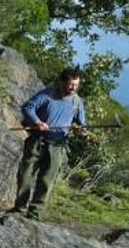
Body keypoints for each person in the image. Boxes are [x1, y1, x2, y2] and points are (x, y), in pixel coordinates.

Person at [10, 68, 87, 219]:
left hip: (57, 146)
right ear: (62, 82)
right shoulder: (47, 94)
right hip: (37, 140)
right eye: (71, 84)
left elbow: (81, 124)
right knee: (25, 175)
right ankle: (19, 209)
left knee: (46, 181)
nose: (73, 88)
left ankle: (34, 214)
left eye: (76, 85)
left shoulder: (77, 102)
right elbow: (27, 108)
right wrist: (37, 122)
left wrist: (81, 132)